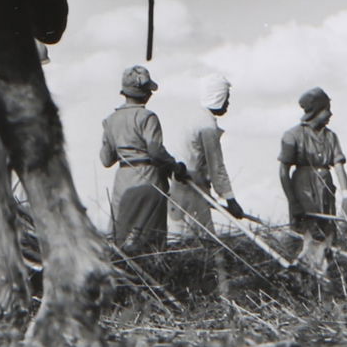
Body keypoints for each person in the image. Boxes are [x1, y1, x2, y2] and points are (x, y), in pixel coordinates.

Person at [99, 63, 187, 254]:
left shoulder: (110, 121)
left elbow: (106, 160)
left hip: (123, 183)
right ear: (145, 93)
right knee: (150, 242)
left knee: (122, 239)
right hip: (149, 179)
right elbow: (155, 152)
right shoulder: (147, 117)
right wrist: (175, 167)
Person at [278, 86, 347, 275]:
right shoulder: (293, 135)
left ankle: (324, 276)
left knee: (327, 234)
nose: (330, 114)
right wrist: (293, 201)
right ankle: (304, 276)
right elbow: (283, 170)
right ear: (316, 111)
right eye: (327, 110)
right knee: (308, 234)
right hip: (304, 191)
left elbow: (339, 166)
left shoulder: (331, 137)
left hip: (325, 191)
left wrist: (346, 196)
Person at [172, 72, 245, 236]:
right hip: (194, 187)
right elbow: (216, 165)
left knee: (178, 235)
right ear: (218, 97)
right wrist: (230, 200)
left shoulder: (193, 117)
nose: (228, 103)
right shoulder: (208, 126)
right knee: (199, 237)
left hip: (180, 185)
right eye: (226, 98)